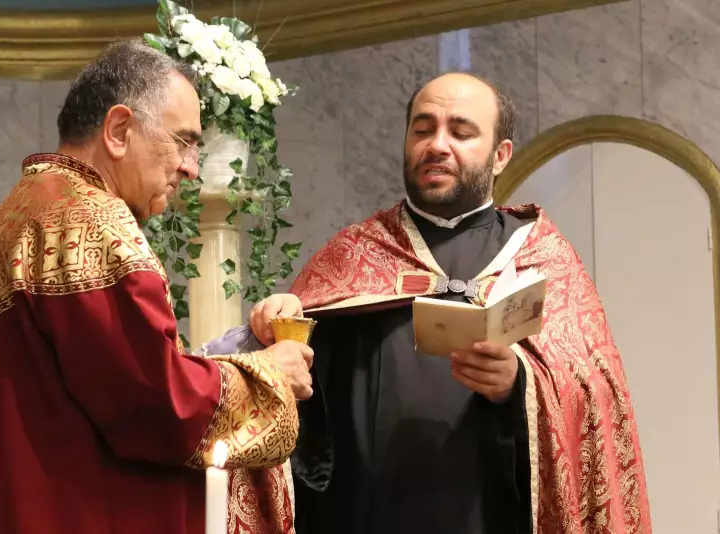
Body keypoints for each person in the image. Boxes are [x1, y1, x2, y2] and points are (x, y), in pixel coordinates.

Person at [248, 73, 652, 533]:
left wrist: (519, 385)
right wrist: (279, 325)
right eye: (423, 130)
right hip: (369, 514)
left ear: (500, 156)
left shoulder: (544, 259)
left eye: (460, 132)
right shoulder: (354, 254)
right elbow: (298, 395)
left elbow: (594, 396)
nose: (437, 145)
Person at [0, 39, 313, 534]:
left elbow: (113, 382)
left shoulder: (20, 210)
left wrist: (243, 348)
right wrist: (269, 376)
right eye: (184, 141)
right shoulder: (89, 220)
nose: (191, 168)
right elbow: (160, 407)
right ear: (119, 130)